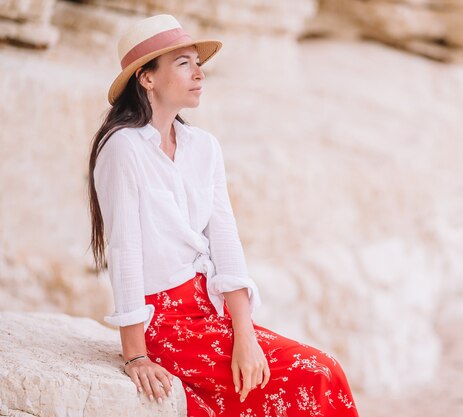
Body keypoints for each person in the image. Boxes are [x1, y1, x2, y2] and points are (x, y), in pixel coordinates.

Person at [87, 13, 360, 417]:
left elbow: (225, 240)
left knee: (318, 370)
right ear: (146, 78)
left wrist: (245, 334)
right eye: (183, 63)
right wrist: (134, 356)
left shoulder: (204, 146)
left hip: (211, 310)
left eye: (199, 62)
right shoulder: (123, 148)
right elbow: (125, 249)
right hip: (163, 324)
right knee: (317, 374)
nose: (199, 73)